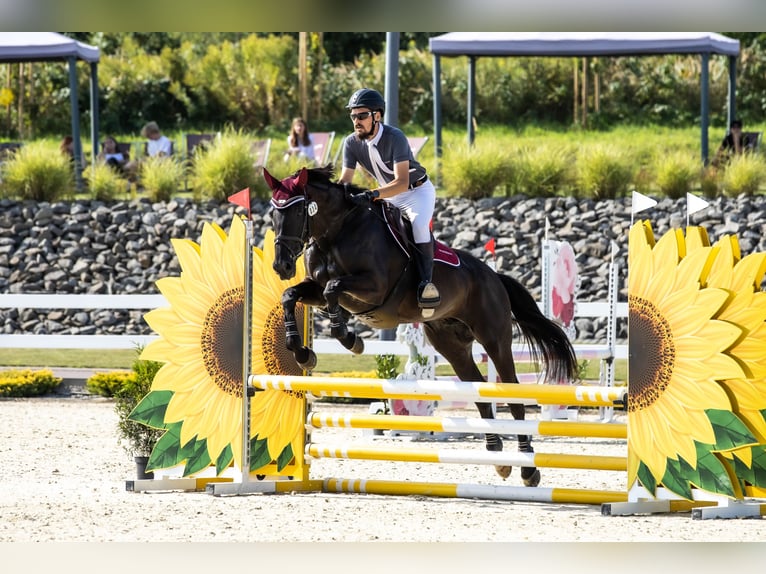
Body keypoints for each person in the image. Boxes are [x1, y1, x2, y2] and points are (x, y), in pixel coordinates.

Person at [338, 88, 440, 311]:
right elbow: (345, 180)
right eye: (353, 116)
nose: (356, 121)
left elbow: (402, 182)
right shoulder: (351, 143)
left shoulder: (395, 137)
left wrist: (374, 194)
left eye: (362, 115)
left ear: (377, 116)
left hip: (415, 192)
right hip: (388, 193)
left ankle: (426, 284)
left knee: (419, 225)